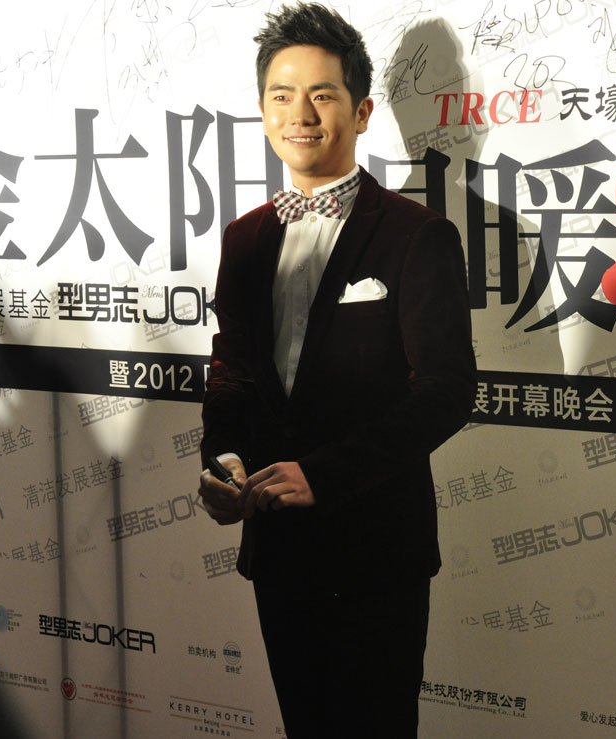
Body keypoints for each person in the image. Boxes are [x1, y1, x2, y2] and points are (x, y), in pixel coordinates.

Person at [197, 3, 476, 737]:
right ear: (262, 111)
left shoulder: (419, 235)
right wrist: (222, 461)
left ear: (361, 111)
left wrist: (328, 472)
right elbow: (232, 370)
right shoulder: (245, 238)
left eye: (322, 94)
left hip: (375, 553)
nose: (302, 113)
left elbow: (448, 389)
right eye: (282, 95)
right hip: (278, 545)